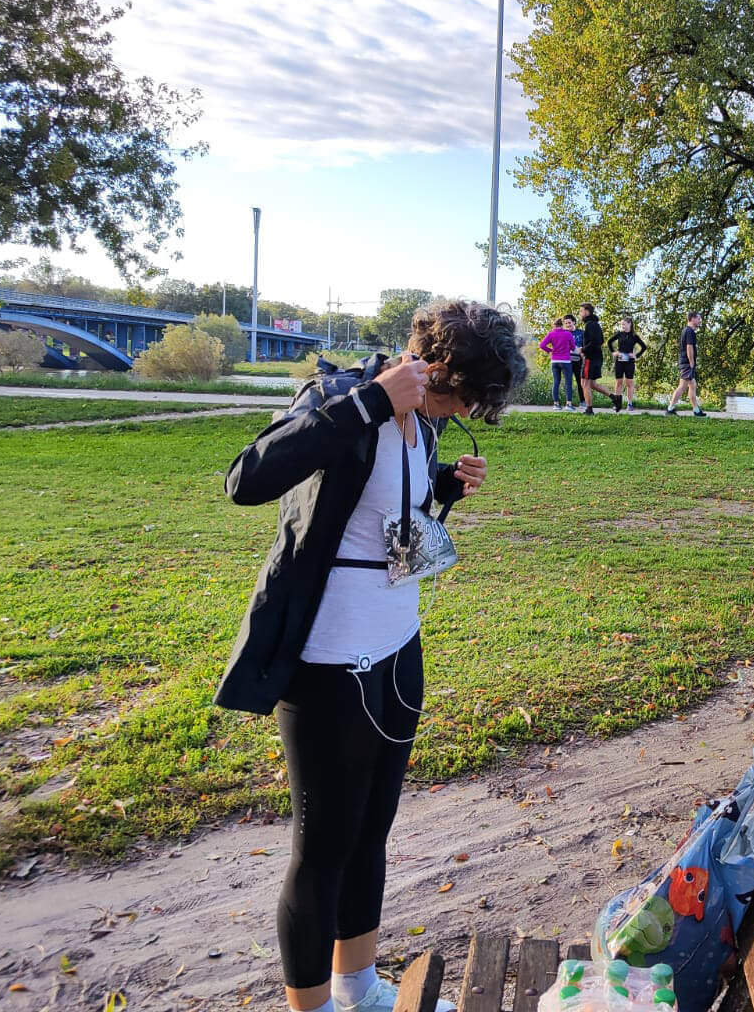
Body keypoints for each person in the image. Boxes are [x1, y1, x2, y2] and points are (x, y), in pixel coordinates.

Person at [218, 301, 523, 1012]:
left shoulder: (425, 421)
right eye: (465, 394)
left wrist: (443, 483)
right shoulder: (344, 396)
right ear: (435, 364)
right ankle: (312, 1006)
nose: (466, 410)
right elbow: (246, 479)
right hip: (331, 659)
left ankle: (358, 988)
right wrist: (369, 403)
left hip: (397, 646)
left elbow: (378, 507)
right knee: (323, 847)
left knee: (370, 832)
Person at [576, 303, 615, 414]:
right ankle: (615, 398)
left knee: (584, 384)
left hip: (590, 358)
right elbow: (601, 340)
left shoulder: (590, 325)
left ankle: (589, 410)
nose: (580, 313)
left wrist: (583, 350)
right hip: (597, 358)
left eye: (581, 311)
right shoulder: (596, 324)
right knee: (592, 384)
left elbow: (595, 342)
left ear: (587, 312)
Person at [666, 311, 705, 416]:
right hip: (687, 363)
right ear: (692, 319)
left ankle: (696, 410)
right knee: (682, 386)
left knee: (693, 385)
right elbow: (689, 347)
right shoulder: (689, 331)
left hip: (686, 362)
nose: (700, 320)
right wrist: (691, 362)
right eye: (698, 318)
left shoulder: (687, 330)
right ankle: (670, 408)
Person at [609, 316, 648, 412]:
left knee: (629, 383)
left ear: (630, 324)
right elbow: (609, 342)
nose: (622, 326)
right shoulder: (619, 334)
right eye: (621, 324)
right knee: (618, 382)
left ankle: (630, 404)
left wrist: (636, 355)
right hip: (619, 361)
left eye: (624, 324)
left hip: (630, 362)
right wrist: (614, 352)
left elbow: (644, 347)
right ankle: (617, 405)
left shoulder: (634, 336)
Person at [539, 317, 577, 410]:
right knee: (568, 382)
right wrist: (567, 348)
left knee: (556, 382)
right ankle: (568, 405)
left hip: (555, 361)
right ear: (562, 325)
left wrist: (550, 350)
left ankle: (556, 404)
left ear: (554, 325)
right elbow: (573, 347)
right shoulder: (568, 334)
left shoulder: (551, 334)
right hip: (565, 361)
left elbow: (542, 345)